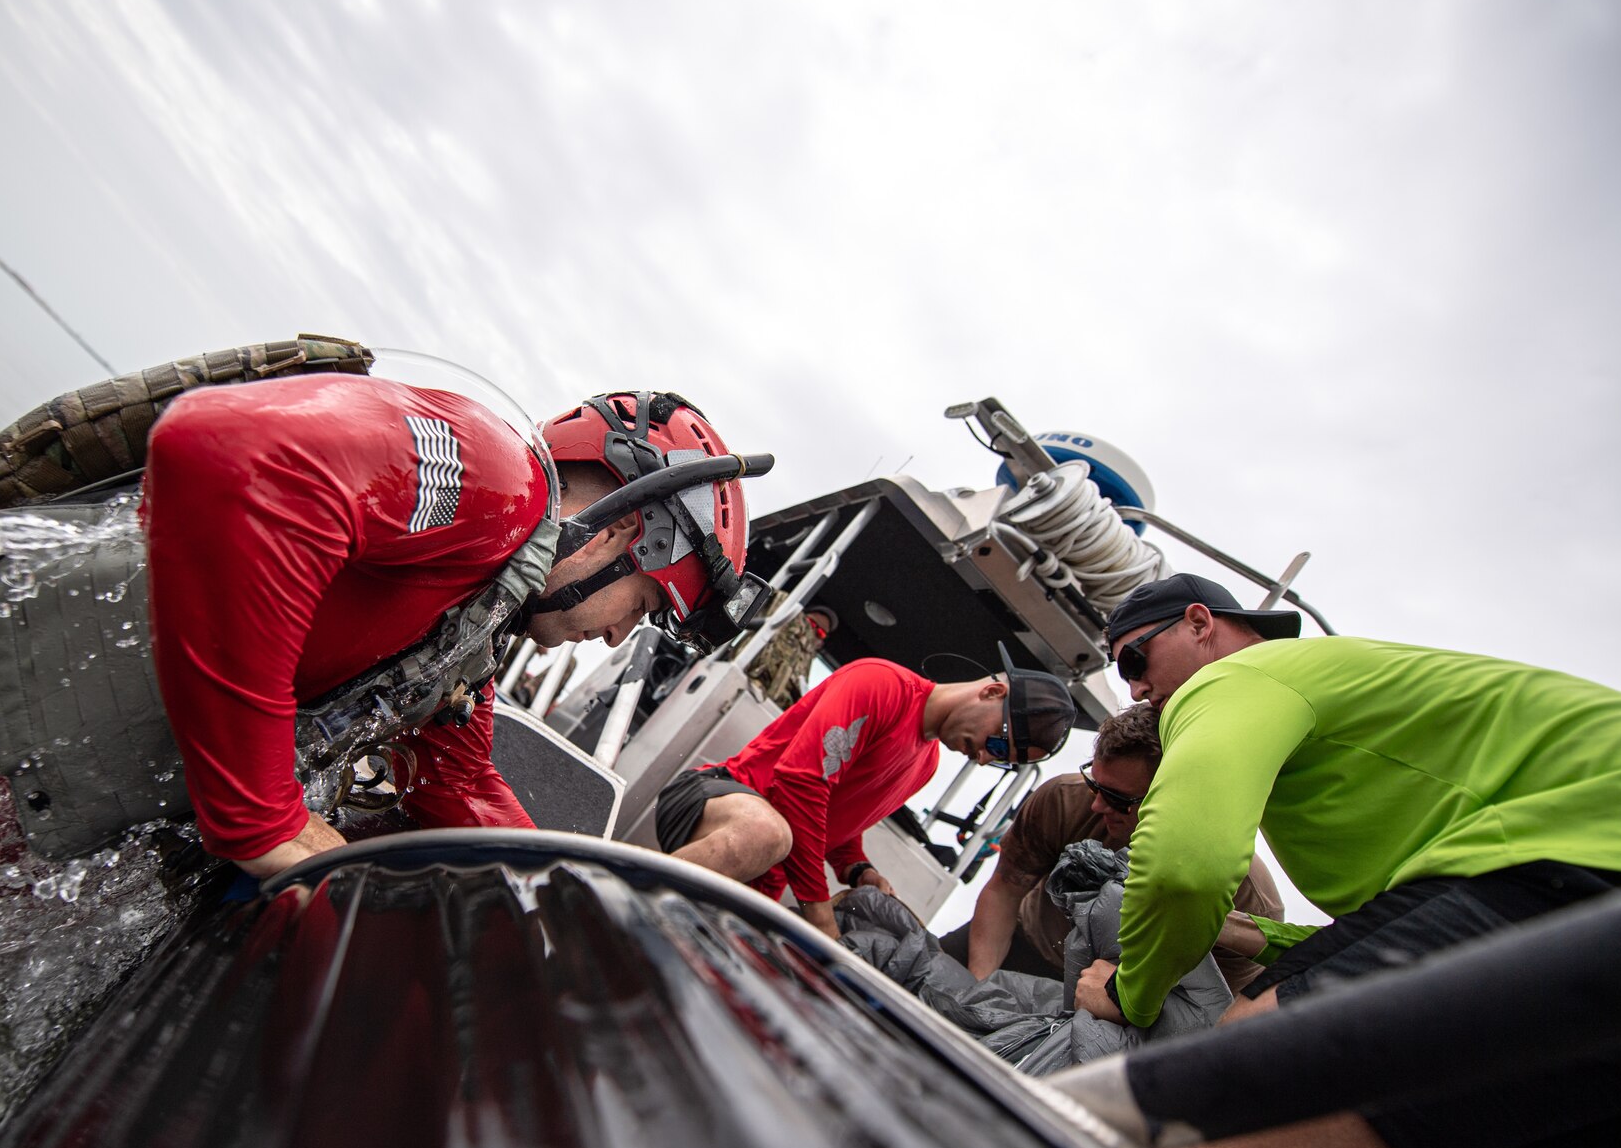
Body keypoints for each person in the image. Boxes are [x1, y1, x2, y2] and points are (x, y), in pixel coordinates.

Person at [1068, 572, 1621, 1148]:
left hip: (1584, 869)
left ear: (1199, 623)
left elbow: (1186, 867)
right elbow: (1393, 929)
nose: (1135, 689)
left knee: (1187, 1138)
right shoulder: (1360, 724)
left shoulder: (1245, 674)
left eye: (1134, 660)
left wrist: (1132, 992)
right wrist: (1256, 935)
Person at [141, 377, 761, 882]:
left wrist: (566, 894)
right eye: (644, 605)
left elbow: (454, 780)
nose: (618, 637)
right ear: (618, 532)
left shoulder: (473, 630)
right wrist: (265, 819)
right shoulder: (497, 483)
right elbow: (217, 455)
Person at [655, 647, 1076, 939]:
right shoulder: (881, 683)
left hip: (764, 872)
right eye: (998, 744)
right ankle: (604, 898)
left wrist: (857, 869)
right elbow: (800, 784)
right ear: (992, 692)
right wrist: (819, 915)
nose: (984, 758)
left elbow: (839, 823)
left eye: (1001, 760)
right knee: (767, 833)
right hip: (712, 798)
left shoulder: (925, 763)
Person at [940, 701, 1284, 993]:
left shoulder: (1248, 899)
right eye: (1095, 785)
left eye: (1119, 799)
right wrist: (977, 988)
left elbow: (1213, 1007)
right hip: (1019, 942)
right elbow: (1004, 892)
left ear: (1178, 798)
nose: (1097, 806)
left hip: (1114, 1004)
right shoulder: (1063, 799)